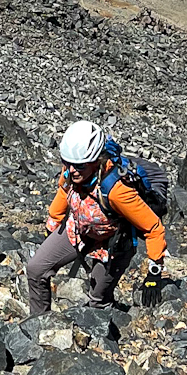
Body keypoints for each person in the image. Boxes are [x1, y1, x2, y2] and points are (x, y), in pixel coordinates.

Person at [26, 120, 166, 314]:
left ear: (96, 161)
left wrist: (154, 272)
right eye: (67, 163)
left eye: (80, 166)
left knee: (98, 302)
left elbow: (153, 227)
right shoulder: (71, 169)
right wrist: (53, 222)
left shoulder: (117, 191)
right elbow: (63, 190)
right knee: (36, 269)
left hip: (113, 243)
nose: (71, 170)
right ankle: (38, 324)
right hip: (79, 228)